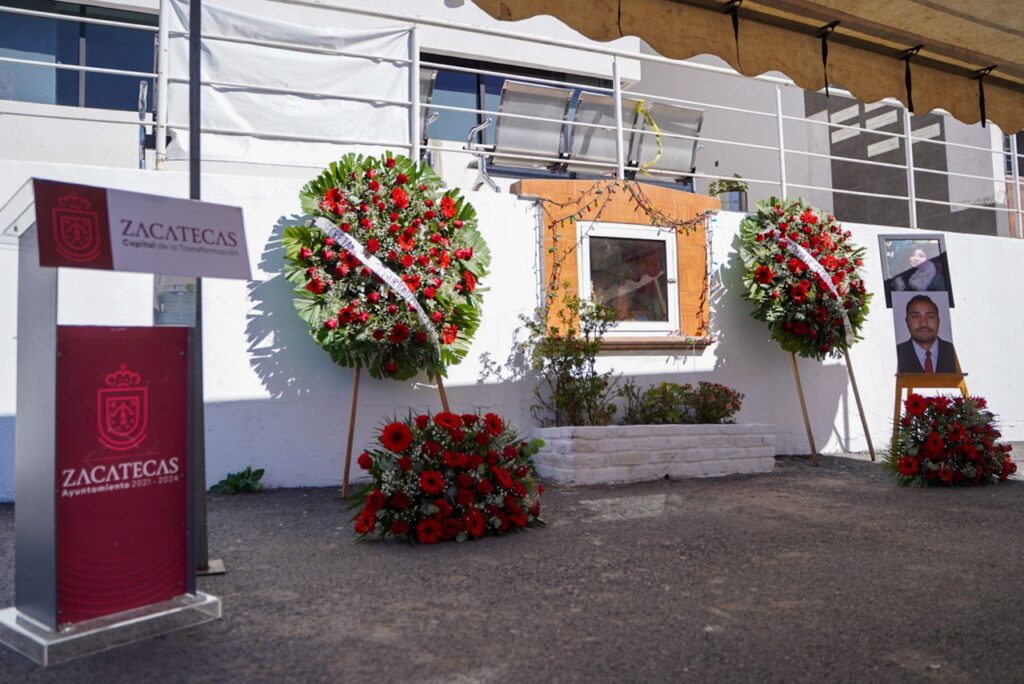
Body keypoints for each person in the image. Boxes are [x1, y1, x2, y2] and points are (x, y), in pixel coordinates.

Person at [896, 294, 959, 373]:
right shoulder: (896, 353)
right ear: (907, 322)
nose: (923, 324)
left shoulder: (954, 351)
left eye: (930, 316)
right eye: (915, 316)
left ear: (938, 321)